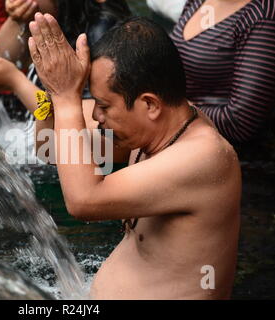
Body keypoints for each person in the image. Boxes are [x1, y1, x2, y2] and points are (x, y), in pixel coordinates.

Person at [27, 13, 241, 299]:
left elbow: (83, 201)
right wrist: (51, 95)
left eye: (103, 105)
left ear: (150, 104)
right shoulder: (154, 128)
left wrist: (67, 99)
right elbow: (49, 147)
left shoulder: (205, 157)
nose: (95, 115)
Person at [0, 0, 132, 117]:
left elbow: (89, 123)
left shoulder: (103, 30)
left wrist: (17, 83)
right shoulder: (59, 12)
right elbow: (11, 58)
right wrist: (17, 19)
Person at [170, 0, 275, 144]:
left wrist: (171, 109)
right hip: (181, 133)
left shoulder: (265, 14)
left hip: (233, 154)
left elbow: (241, 123)